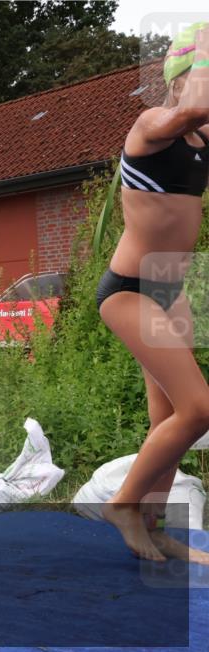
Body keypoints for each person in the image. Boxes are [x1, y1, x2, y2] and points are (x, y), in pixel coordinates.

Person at [96, 22, 209, 563]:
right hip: (131, 291)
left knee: (170, 420)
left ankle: (155, 527)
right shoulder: (153, 123)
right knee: (201, 408)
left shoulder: (200, 139)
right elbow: (190, 110)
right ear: (180, 79)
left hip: (173, 290)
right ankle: (123, 505)